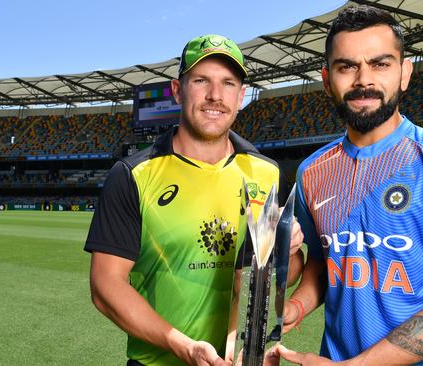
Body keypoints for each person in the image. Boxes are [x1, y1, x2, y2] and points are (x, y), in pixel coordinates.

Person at [274, 5, 423, 365]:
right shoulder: (311, 171)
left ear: (404, 73)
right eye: (347, 66)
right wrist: (296, 307)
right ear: (326, 78)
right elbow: (322, 263)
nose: (363, 79)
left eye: (380, 64)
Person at [84, 34, 303, 366]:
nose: (215, 95)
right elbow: (105, 284)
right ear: (177, 90)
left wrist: (288, 251)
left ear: (242, 95)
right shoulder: (132, 174)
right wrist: (181, 344)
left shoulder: (266, 173)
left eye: (228, 83)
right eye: (201, 81)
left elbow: (283, 274)